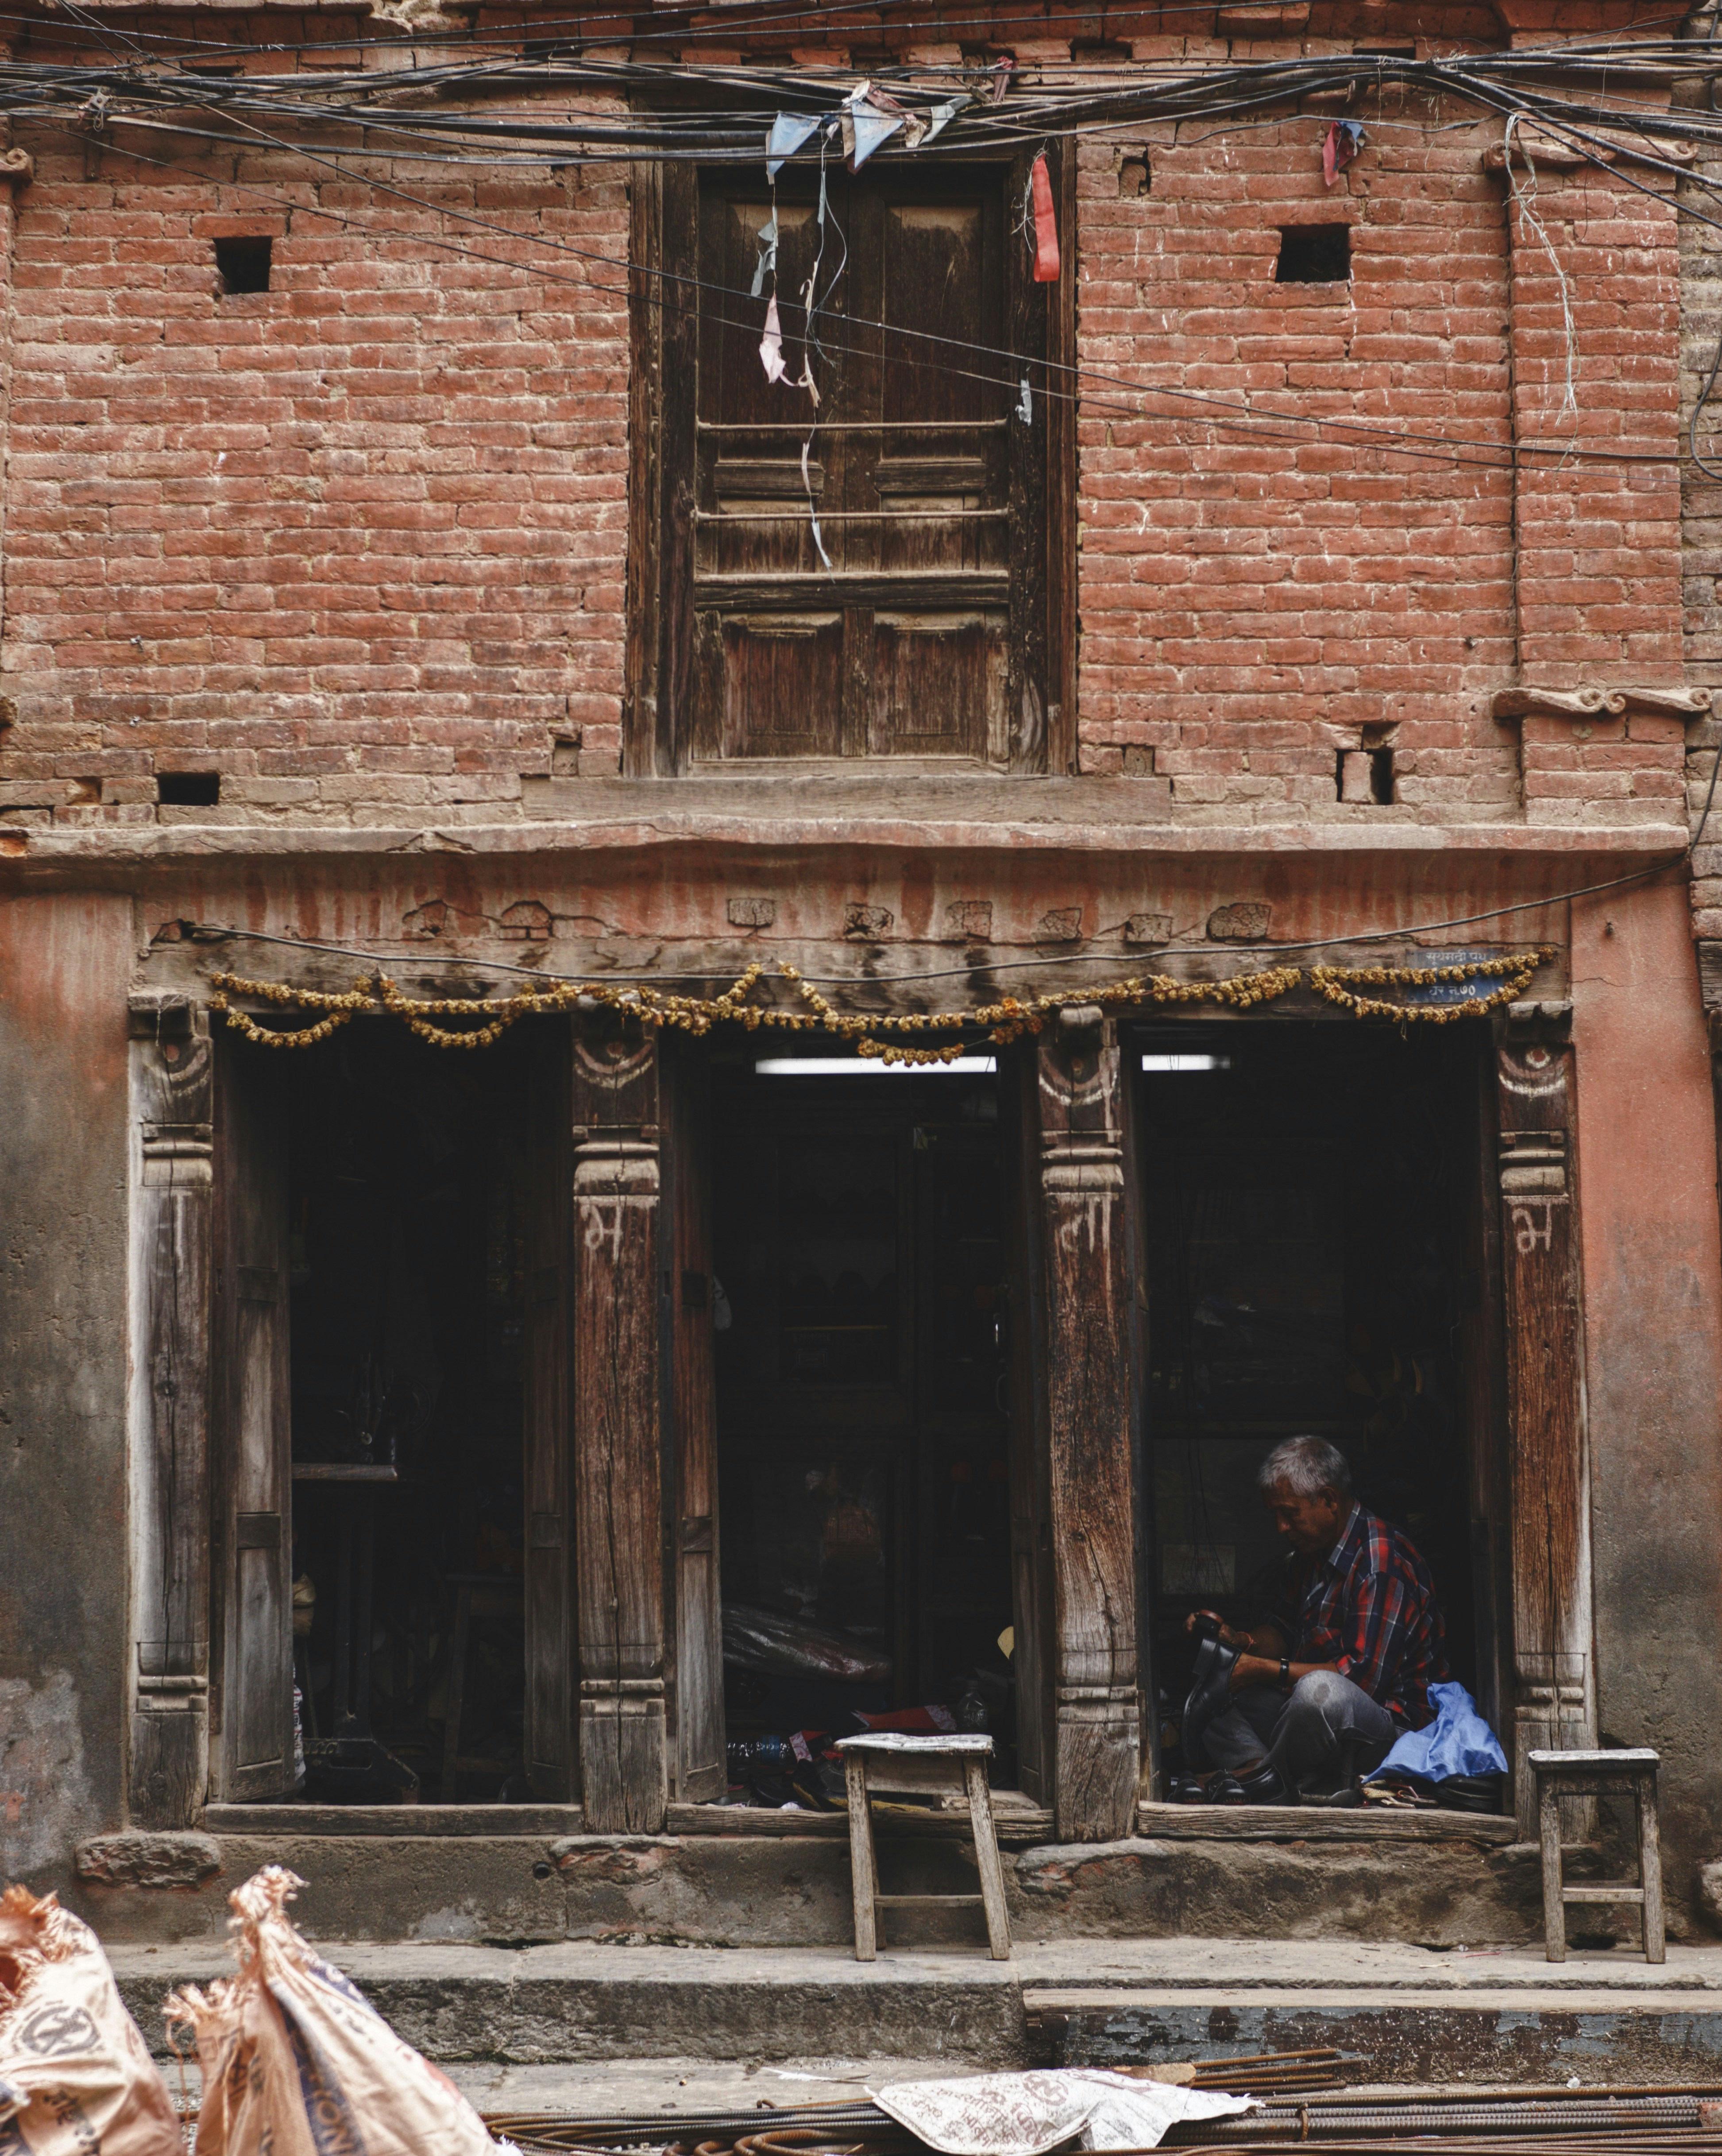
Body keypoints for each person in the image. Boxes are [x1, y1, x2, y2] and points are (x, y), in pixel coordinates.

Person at [1182, 1434, 1450, 1802]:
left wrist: (1259, 1669)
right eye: (1276, 1514)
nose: (1280, 1527)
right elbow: (1282, 1628)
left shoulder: (1380, 1562)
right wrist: (1239, 1643)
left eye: (1289, 1513)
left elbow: (1359, 1681)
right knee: (1211, 1684)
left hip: (1387, 1727)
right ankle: (1262, 1773)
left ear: (1328, 1500)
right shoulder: (1310, 1555)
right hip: (1312, 1725)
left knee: (1317, 1694)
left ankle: (1259, 1781)